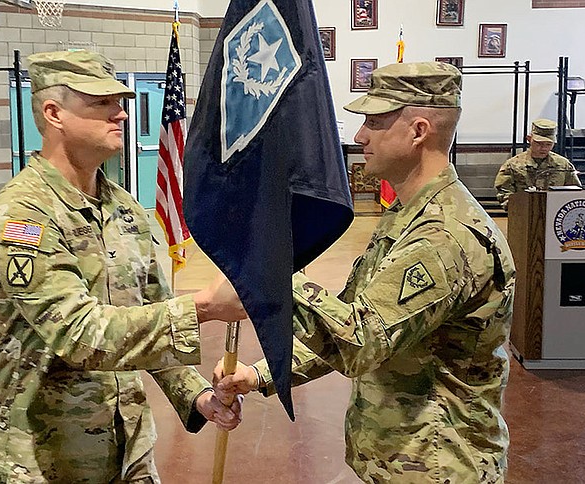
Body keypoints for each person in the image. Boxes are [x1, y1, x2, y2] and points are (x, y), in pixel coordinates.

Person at [214, 62, 515, 483]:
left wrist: (269, 272)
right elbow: (346, 326)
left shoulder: (445, 236)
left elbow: (361, 343)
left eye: (375, 122)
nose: (360, 137)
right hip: (402, 463)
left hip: (438, 469)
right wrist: (260, 374)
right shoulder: (408, 216)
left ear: (418, 131)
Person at [0, 50, 242, 483]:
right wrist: (204, 307)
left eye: (119, 102)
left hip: (126, 450)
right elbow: (77, 334)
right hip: (41, 458)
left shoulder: (125, 210)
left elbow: (149, 317)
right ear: (53, 112)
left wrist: (198, 397)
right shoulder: (22, 217)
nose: (120, 113)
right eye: (101, 103)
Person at [494, 118, 581, 210]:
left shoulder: (563, 165)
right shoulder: (513, 165)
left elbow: (574, 192)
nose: (543, 148)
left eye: (548, 144)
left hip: (555, 216)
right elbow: (504, 192)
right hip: (524, 216)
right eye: (539, 143)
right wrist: (518, 209)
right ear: (529, 139)